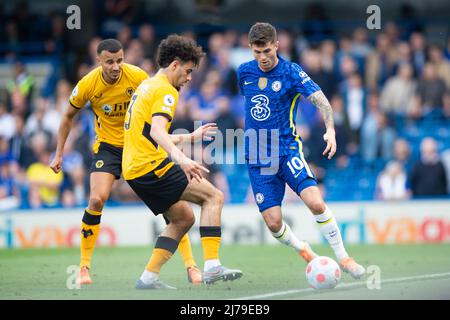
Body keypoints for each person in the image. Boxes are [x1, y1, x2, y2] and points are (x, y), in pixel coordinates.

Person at [50, 39, 203, 285]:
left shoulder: (137, 76)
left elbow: (156, 115)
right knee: (96, 199)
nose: (116, 66)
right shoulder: (88, 84)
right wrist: (58, 154)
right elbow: (68, 116)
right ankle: (84, 267)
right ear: (98, 61)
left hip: (139, 145)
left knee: (172, 207)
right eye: (109, 61)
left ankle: (191, 266)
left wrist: (171, 142)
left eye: (120, 60)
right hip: (109, 148)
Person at [237, 22, 365, 279]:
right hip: (259, 158)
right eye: (257, 52)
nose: (262, 58)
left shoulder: (291, 72)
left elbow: (322, 101)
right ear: (251, 48)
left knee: (316, 203)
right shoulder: (243, 72)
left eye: (267, 51)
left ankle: (344, 257)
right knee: (273, 223)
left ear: (277, 45)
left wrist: (330, 129)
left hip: (287, 151)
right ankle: (304, 250)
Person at [122, 34, 243, 289]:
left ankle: (148, 278)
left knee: (184, 218)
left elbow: (149, 132)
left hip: (134, 170)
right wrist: (183, 160)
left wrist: (190, 137)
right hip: (150, 166)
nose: (189, 78)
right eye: (188, 71)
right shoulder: (166, 90)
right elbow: (156, 132)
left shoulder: (147, 85)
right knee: (214, 197)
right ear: (175, 64)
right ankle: (212, 266)